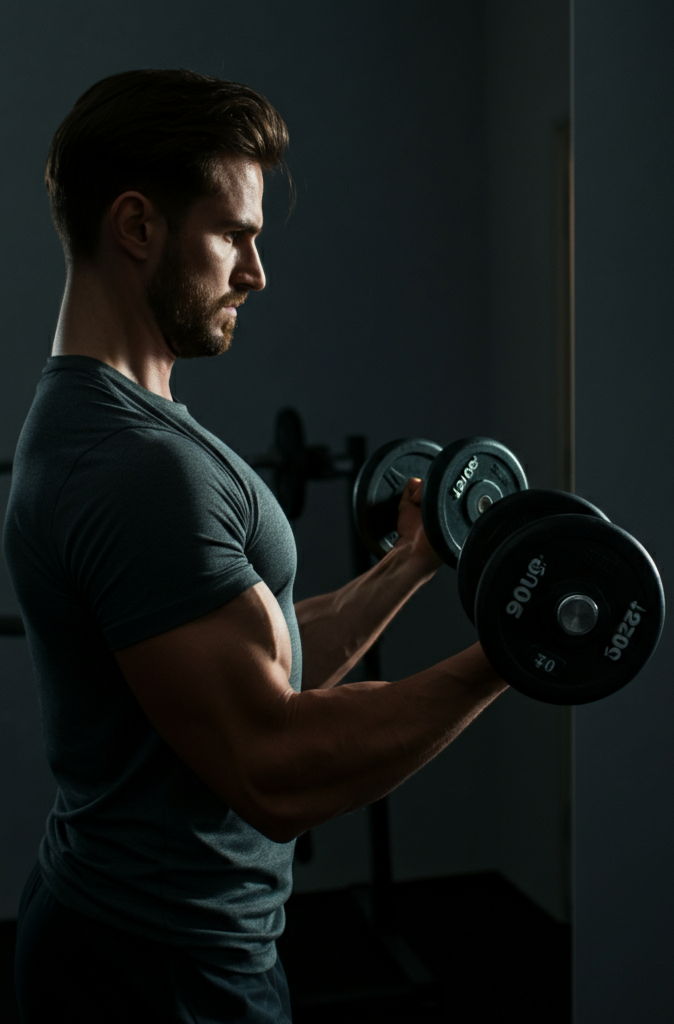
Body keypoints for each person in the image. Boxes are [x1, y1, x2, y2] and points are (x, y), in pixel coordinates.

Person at [3, 68, 507, 1024]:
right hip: (158, 967)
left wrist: (410, 563)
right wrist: (513, 651)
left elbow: (265, 654)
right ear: (139, 226)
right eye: (234, 233)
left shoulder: (122, 426)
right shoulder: (136, 468)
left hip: (148, 938)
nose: (256, 272)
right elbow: (274, 767)